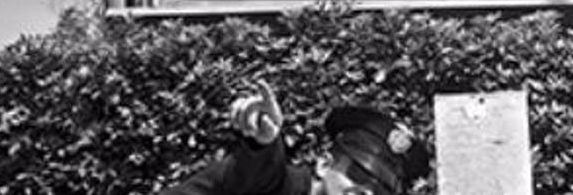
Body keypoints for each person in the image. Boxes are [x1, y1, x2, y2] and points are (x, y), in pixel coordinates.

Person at [160, 80, 430, 195]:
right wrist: (262, 143)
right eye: (358, 175)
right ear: (324, 164)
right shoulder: (275, 185)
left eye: (380, 190)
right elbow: (261, 176)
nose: (366, 193)